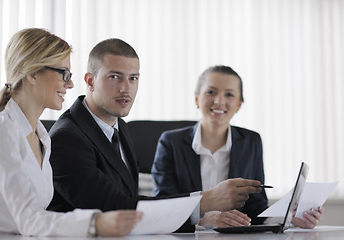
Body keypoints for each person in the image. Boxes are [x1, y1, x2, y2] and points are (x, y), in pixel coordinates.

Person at [47, 38, 263, 233]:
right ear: (90, 80)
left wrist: (201, 217)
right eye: (114, 77)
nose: (126, 88)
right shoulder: (67, 137)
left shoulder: (120, 129)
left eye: (133, 78)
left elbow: (131, 201)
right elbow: (113, 207)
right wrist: (203, 202)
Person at [0, 28, 142, 237]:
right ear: (32, 73)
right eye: (63, 74)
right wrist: (95, 223)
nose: (70, 84)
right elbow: (29, 220)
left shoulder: (41, 137)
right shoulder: (0, 132)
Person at [151, 65, 323, 229]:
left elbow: (256, 206)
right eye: (211, 92)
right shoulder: (170, 142)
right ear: (197, 98)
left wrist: (289, 218)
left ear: (239, 104)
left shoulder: (251, 141)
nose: (219, 101)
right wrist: (203, 218)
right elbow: (165, 205)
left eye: (229, 95)